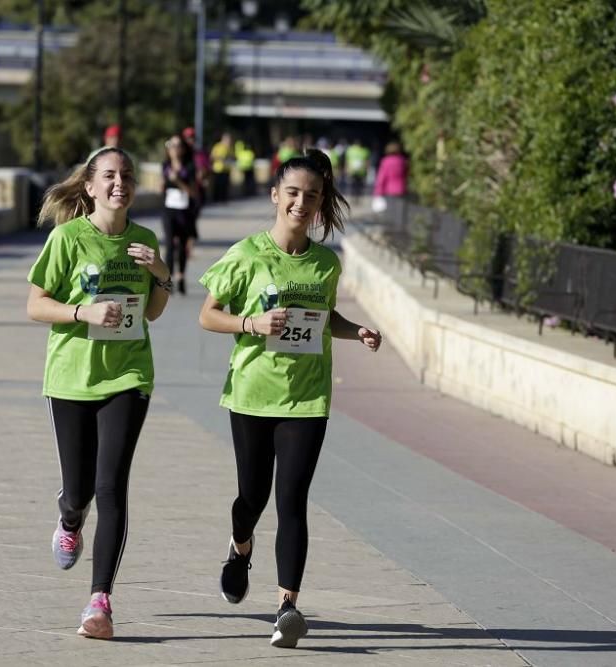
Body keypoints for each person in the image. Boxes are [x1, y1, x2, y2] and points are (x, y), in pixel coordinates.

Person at [198, 148, 383, 648]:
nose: (302, 203)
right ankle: (240, 549)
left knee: (293, 500)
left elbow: (326, 319)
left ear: (322, 205)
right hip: (252, 393)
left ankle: (287, 607)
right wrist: (251, 323)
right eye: (294, 193)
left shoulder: (326, 263)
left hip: (306, 399)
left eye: (313, 196)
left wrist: (356, 330)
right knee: (251, 498)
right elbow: (208, 315)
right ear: (276, 195)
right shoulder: (246, 254)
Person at [26, 146, 172, 640]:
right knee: (81, 491)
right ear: (89, 187)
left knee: (111, 487)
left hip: (129, 378)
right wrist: (82, 312)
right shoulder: (68, 239)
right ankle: (69, 517)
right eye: (109, 176)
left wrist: (162, 275)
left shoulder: (146, 241)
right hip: (71, 378)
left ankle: (100, 602)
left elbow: (152, 313)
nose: (119, 183)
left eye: (127, 175)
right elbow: (35, 304)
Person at [161, 134, 199, 295]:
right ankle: (168, 280)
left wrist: (178, 181)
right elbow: (161, 188)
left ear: (183, 149)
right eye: (171, 145)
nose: (174, 149)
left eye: (177, 145)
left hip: (184, 210)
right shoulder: (165, 166)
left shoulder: (189, 167)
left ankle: (181, 276)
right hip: (169, 209)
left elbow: (193, 192)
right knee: (170, 245)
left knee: (183, 245)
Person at [371, 141, 409, 213]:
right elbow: (406, 174)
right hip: (402, 188)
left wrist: (378, 191)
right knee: (399, 211)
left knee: (391, 211)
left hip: (389, 189)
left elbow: (382, 177)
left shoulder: (386, 161)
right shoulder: (403, 160)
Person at [209, 132, 234, 203]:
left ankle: (224, 199)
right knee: (217, 185)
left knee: (225, 185)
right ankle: (216, 199)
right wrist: (220, 158)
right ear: (223, 139)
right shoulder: (217, 146)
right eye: (227, 139)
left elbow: (232, 157)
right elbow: (212, 156)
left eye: (229, 140)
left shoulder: (230, 148)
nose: (229, 141)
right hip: (218, 169)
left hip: (226, 169)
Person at [343, 139, 370, 203]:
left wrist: (346, 169)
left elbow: (347, 161)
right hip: (361, 172)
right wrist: (367, 170)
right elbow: (367, 162)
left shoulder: (350, 150)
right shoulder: (365, 151)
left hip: (353, 171)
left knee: (353, 185)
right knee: (359, 186)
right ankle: (357, 198)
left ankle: (354, 198)